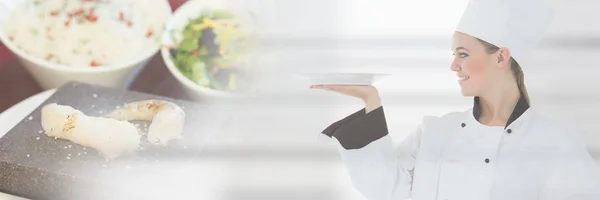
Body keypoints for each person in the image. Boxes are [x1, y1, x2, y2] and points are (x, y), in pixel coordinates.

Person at [311, 0, 600, 199]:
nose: (453, 66)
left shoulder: (553, 141)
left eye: (463, 54)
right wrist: (370, 99)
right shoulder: (435, 132)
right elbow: (386, 189)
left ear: (501, 56)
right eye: (453, 55)